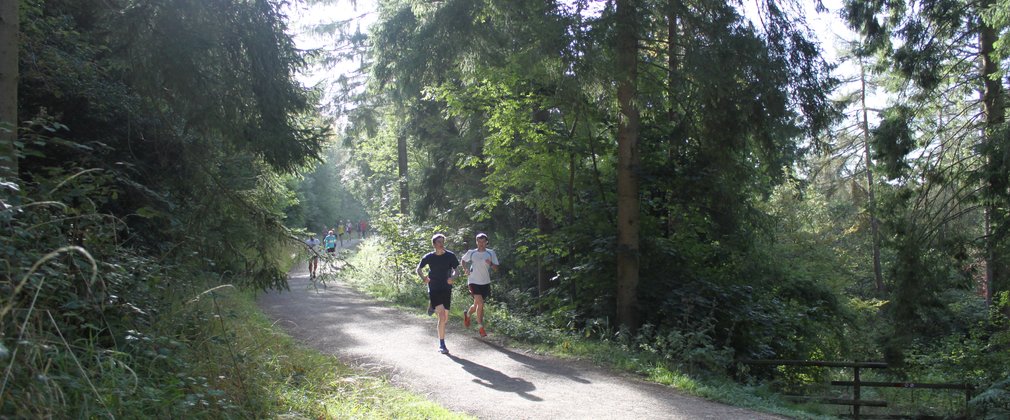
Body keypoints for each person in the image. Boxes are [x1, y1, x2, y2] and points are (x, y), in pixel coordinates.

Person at [416, 233, 459, 354]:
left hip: (446, 287)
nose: (441, 244)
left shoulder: (450, 256)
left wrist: (453, 278)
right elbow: (418, 268)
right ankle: (442, 344)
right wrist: (423, 277)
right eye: (439, 242)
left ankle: (432, 305)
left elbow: (457, 270)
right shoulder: (429, 257)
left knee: (445, 318)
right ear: (434, 244)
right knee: (442, 316)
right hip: (434, 286)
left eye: (442, 242)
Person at [460, 232, 499, 337]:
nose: (481, 243)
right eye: (479, 241)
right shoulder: (471, 252)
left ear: (486, 242)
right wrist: (465, 269)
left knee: (477, 305)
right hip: (473, 281)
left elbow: (496, 268)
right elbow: (463, 260)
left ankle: (467, 315)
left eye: (483, 241)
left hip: (485, 283)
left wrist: (490, 263)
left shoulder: (491, 253)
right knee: (480, 303)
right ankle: (480, 327)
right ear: (476, 242)